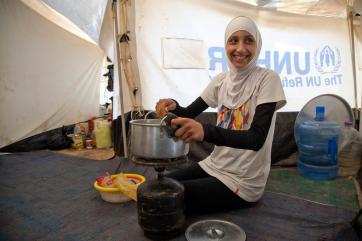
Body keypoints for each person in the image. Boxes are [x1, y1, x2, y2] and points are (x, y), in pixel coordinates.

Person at [155, 16, 286, 215]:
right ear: (226, 44)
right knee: (159, 185)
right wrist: (173, 106)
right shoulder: (221, 81)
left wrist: (205, 132)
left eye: (248, 40)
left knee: (166, 198)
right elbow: (189, 113)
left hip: (243, 181)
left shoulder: (267, 79)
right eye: (234, 40)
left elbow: (256, 139)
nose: (240, 49)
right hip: (214, 165)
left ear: (257, 44)